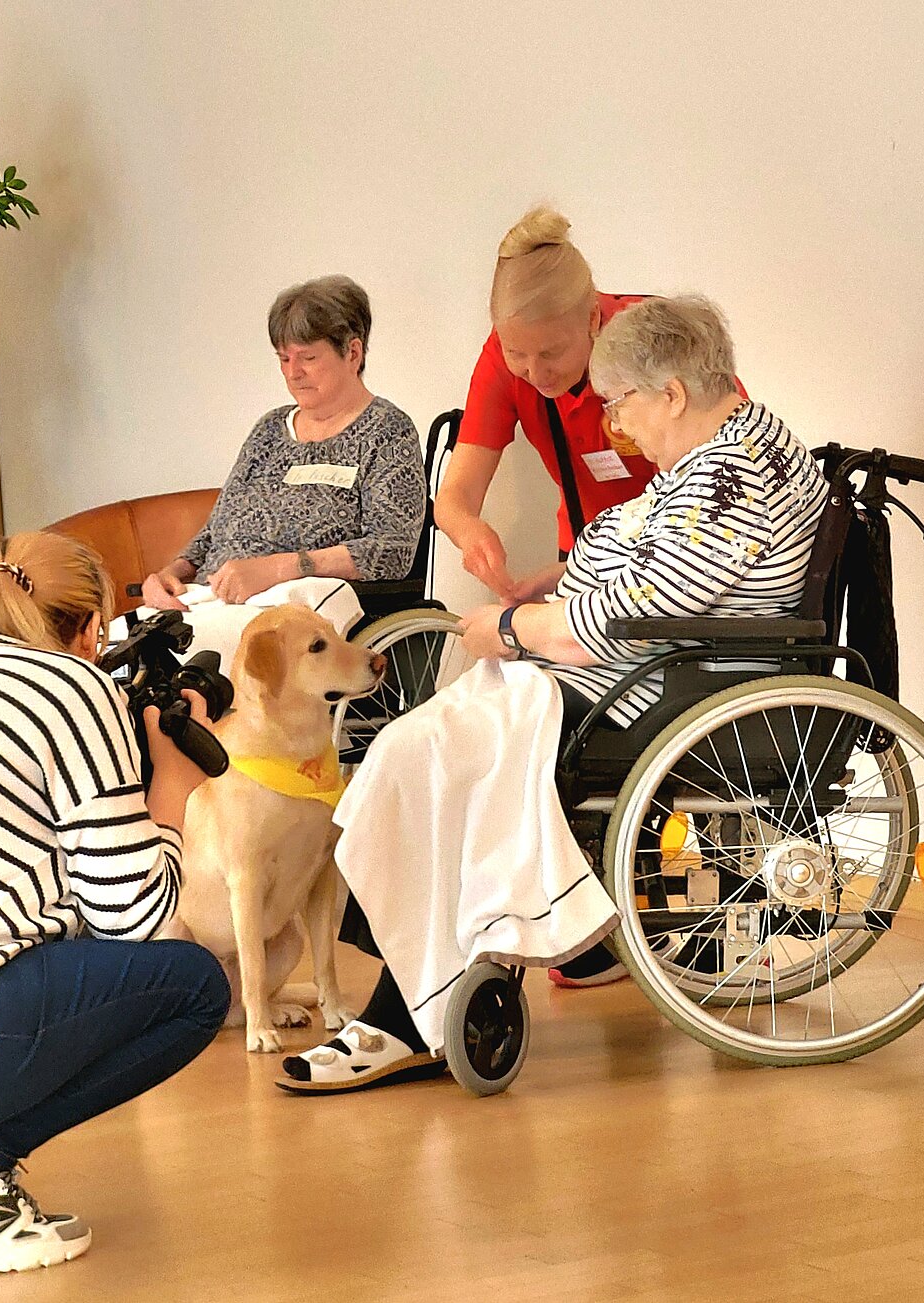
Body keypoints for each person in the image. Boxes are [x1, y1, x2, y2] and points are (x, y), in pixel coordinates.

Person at [278, 295, 828, 1093]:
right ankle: (426, 985)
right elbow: (636, 556)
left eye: (621, 403)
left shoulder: (730, 480)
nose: (616, 426)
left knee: (419, 754)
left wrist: (511, 625)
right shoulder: (733, 444)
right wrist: (556, 581)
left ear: (670, 392)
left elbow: (626, 615)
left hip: (653, 687)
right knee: (422, 751)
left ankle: (408, 1010)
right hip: (639, 669)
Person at [0, 532, 229, 1272]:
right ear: (88, 630)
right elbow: (132, 919)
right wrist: (169, 784)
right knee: (195, 986)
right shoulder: (74, 688)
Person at [142, 275, 426, 610]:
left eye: (307, 358)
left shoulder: (386, 432)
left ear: (352, 353)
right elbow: (216, 531)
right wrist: (171, 573)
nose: (293, 373)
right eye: (283, 358)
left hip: (289, 620)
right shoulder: (269, 429)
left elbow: (392, 551)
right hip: (209, 600)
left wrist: (279, 569)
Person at [433, 206, 656, 610]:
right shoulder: (501, 360)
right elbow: (454, 496)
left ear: (592, 319)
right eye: (517, 353)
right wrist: (471, 532)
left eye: (552, 352)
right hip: (585, 552)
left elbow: (721, 464)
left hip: (674, 551)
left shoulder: (656, 342)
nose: (535, 373)